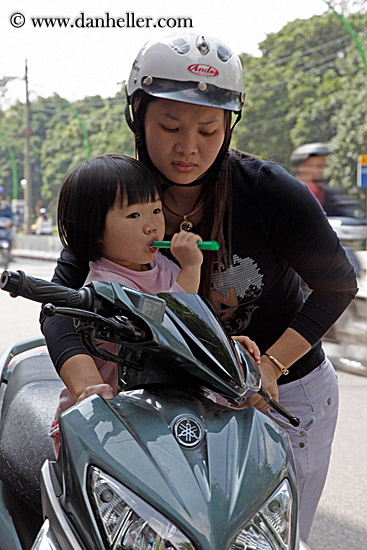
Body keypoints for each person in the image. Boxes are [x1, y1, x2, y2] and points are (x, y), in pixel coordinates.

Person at [41, 33, 358, 542]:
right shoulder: (115, 192)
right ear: (137, 117)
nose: (189, 147)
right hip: (158, 394)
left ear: (229, 127)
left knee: (270, 534)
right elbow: (59, 304)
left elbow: (339, 283)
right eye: (169, 125)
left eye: (209, 130)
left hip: (281, 393)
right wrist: (85, 385)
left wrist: (269, 365)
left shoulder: (271, 193)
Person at [49, 152, 261, 456]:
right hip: (105, 422)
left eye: (157, 210)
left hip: (157, 415)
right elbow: (168, 324)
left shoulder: (164, 267)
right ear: (95, 231)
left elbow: (191, 330)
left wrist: (223, 345)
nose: (152, 226)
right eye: (134, 216)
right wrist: (191, 270)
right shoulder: (105, 285)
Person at [290, 142, 357, 217]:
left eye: (324, 166)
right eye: (318, 166)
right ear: (300, 168)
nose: (322, 171)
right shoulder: (290, 196)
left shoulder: (332, 196)